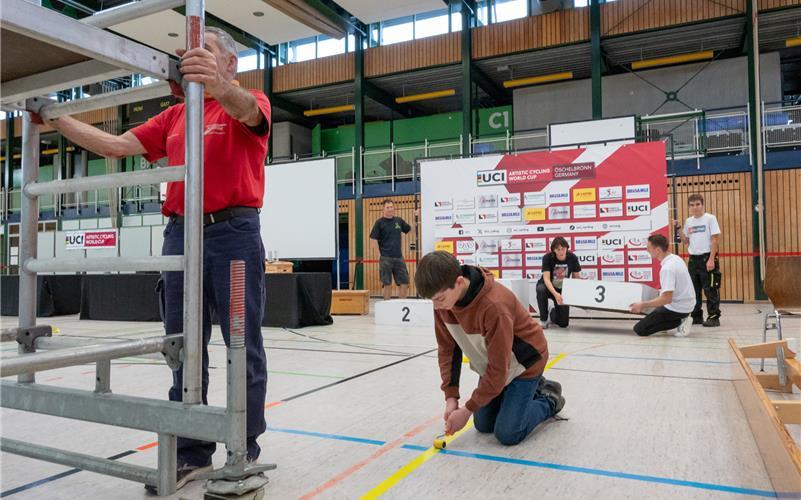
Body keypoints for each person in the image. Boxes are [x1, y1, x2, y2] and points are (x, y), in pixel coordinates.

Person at [33, 27, 271, 491]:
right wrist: (56, 117)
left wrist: (217, 86)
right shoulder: (176, 116)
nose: (190, 65)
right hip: (181, 233)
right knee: (183, 343)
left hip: (233, 234)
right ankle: (191, 451)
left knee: (243, 344)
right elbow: (117, 145)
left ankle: (243, 448)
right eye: (186, 60)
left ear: (230, 64)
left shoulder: (248, 100)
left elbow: (248, 112)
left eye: (204, 56)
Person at [415, 251, 564, 446]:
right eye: (432, 300)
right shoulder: (443, 305)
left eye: (440, 299)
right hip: (494, 363)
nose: (436, 307)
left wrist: (467, 410)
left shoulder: (494, 306)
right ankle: (521, 394)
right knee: (484, 424)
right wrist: (451, 396)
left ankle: (548, 398)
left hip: (525, 362)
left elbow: (499, 370)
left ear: (459, 282)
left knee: (508, 433)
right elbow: (447, 350)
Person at [630, 235, 695, 337]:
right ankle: (671, 321)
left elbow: (667, 299)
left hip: (678, 308)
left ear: (658, 250)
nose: (647, 250)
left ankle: (681, 321)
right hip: (687, 303)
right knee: (653, 307)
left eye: (648, 248)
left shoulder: (667, 268)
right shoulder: (675, 258)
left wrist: (642, 305)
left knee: (640, 329)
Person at [675, 194, 722, 327]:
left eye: (697, 204)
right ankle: (696, 316)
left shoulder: (710, 219)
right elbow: (685, 241)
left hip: (707, 257)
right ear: (689, 207)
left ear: (702, 204)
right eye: (692, 205)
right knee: (694, 290)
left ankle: (713, 317)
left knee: (710, 289)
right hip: (693, 259)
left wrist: (711, 259)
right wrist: (679, 228)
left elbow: (715, 240)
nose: (695, 207)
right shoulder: (689, 221)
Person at [370, 199, 412, 299]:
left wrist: (416, 217)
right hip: (385, 258)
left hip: (399, 257)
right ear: (383, 209)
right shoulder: (379, 223)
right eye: (388, 207)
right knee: (387, 284)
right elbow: (373, 239)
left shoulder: (399, 221)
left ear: (394, 208)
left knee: (404, 282)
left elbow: (410, 230)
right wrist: (379, 256)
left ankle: (401, 306)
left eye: (391, 207)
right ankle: (387, 308)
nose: (390, 209)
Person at [535, 237, 581, 329]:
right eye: (558, 249)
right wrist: (555, 294)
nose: (561, 252)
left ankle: (552, 312)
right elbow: (546, 279)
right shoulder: (547, 258)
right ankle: (543, 319)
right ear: (553, 250)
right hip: (547, 287)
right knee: (541, 289)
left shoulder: (572, 257)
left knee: (563, 324)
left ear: (567, 248)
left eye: (563, 249)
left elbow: (576, 277)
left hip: (562, 289)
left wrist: (575, 294)